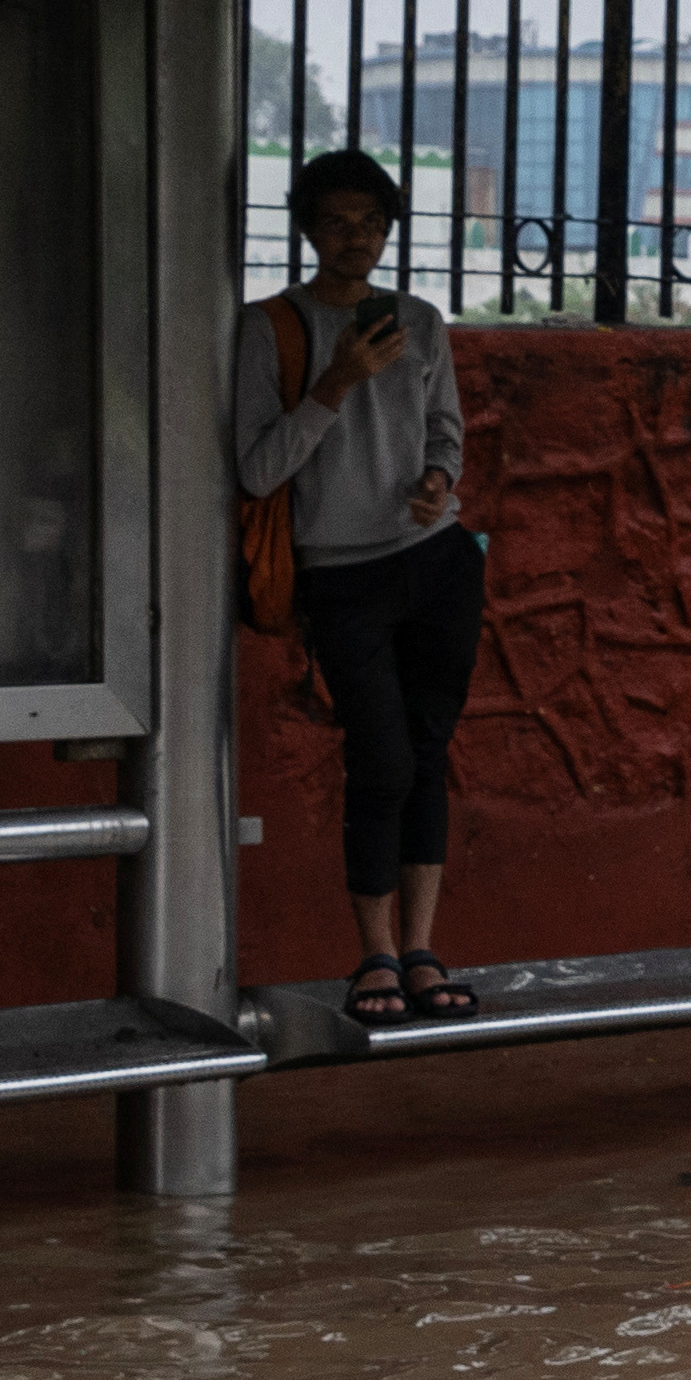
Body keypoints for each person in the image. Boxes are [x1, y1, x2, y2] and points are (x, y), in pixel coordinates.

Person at [231, 146, 484, 1038]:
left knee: (426, 747)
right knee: (380, 757)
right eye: (338, 223)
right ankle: (371, 950)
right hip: (342, 574)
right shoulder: (273, 330)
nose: (356, 240)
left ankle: (419, 948)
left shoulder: (419, 319)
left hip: (437, 561)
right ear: (306, 228)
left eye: (371, 225)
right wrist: (336, 381)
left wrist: (438, 483)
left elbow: (446, 431)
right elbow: (258, 469)